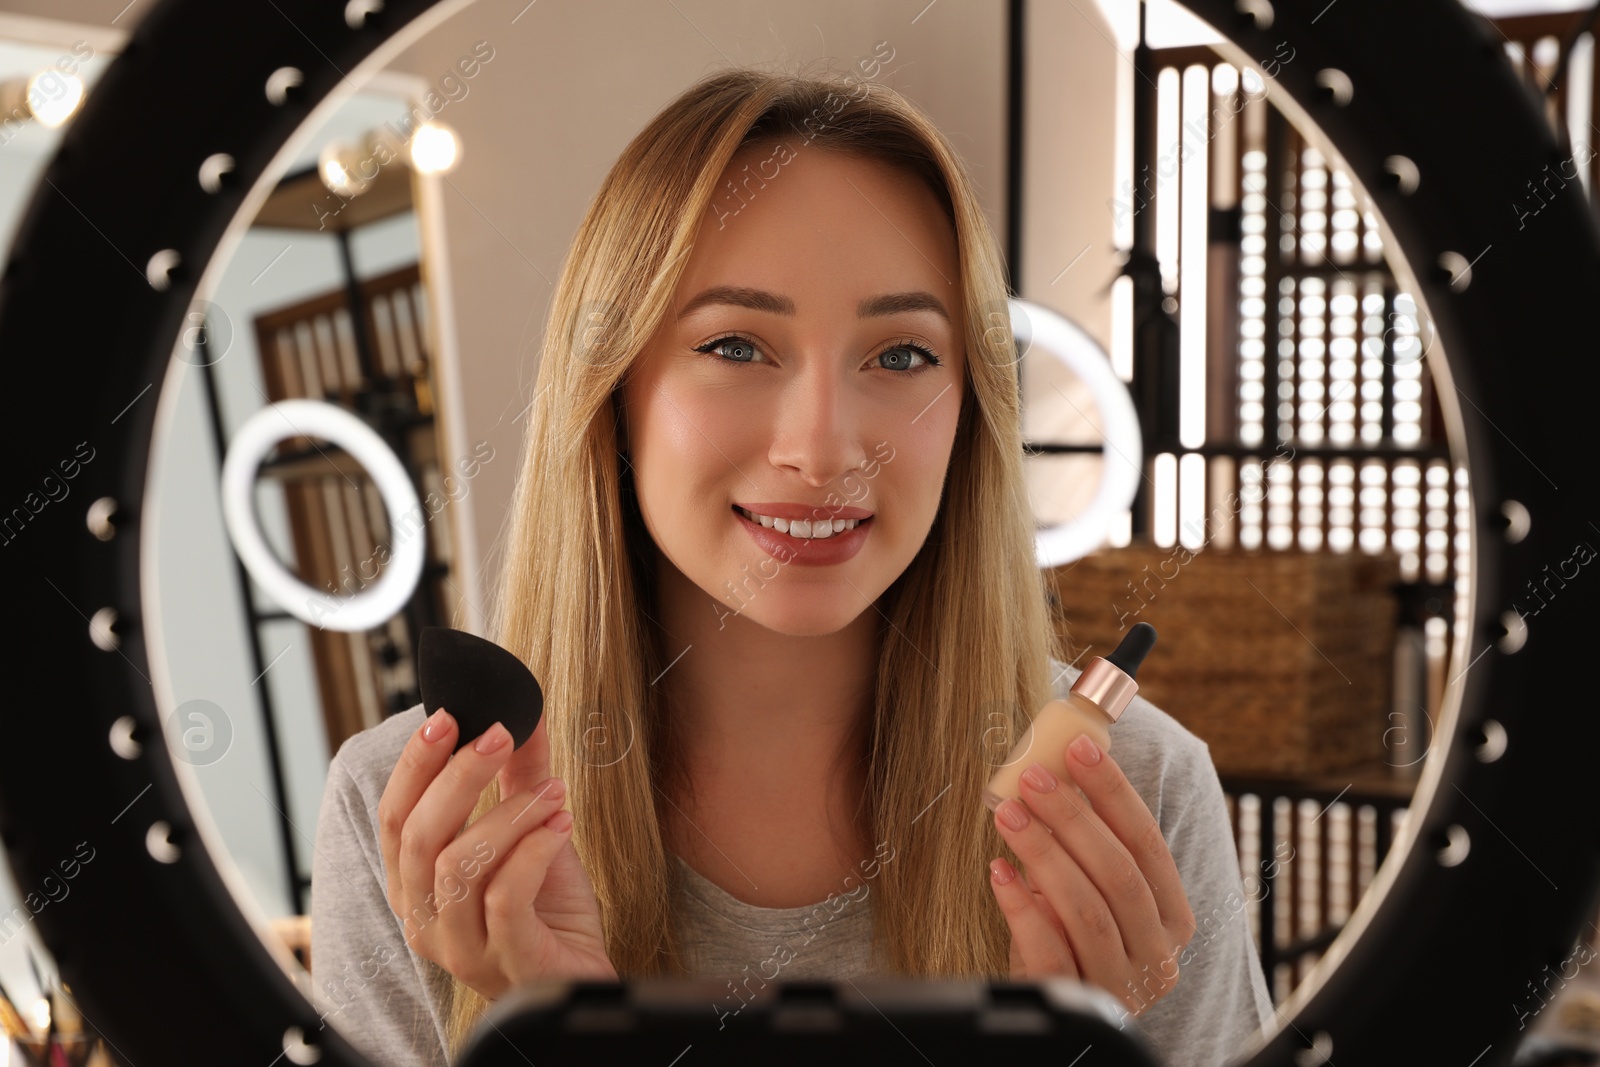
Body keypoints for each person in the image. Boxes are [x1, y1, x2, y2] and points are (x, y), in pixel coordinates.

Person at [310, 65, 1275, 1067]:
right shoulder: (419, 823)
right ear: (614, 393)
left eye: (900, 355)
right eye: (736, 344)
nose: (823, 450)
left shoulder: (1137, 791)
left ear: (971, 409)